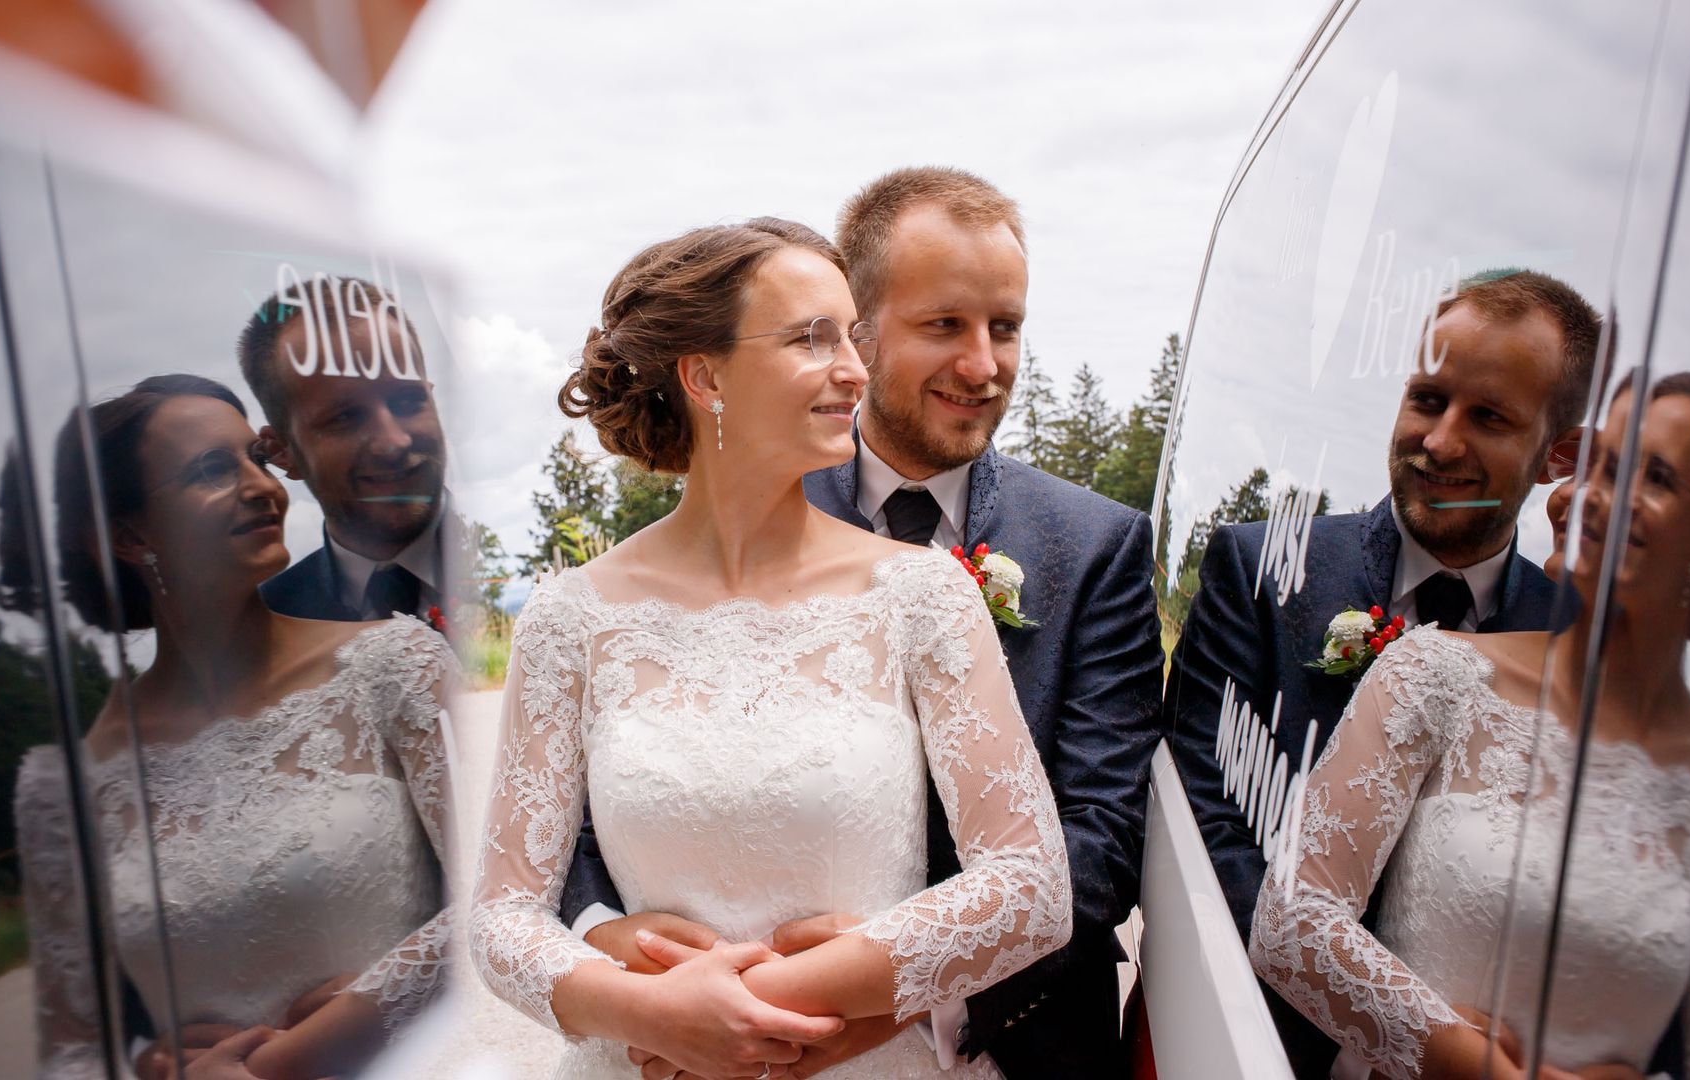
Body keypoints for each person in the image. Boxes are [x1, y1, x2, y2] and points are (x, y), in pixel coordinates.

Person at [566, 167, 1162, 1078]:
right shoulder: (724, 510)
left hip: (1008, 1035)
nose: (983, 365)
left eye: (1005, 328)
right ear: (864, 329)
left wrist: (890, 984)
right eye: (943, 326)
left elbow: (1102, 836)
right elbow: (582, 812)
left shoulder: (1095, 545)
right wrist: (620, 951)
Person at [469, 220, 1072, 1080]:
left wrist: (780, 1005)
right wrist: (644, 1008)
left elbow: (1029, 886)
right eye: (810, 337)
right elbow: (502, 916)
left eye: (851, 335)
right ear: (705, 376)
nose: (855, 369)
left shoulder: (921, 593)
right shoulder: (571, 618)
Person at [1251, 370, 1690, 1079]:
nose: (1595, 495)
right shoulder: (1436, 672)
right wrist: (1471, 1062)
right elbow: (1292, 921)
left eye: (1655, 477)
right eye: (1604, 464)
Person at [1163, 269, 1603, 1073]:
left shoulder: (1574, 638)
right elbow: (1204, 823)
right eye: (1428, 400)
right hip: (1248, 1036)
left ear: (1558, 454)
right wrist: (1386, 1015)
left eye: (1490, 418)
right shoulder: (1261, 570)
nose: (1439, 442)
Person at [12, 374, 457, 1080]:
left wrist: (351, 1021)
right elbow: (71, 1049)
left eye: (254, 455)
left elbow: (505, 896)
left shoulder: (394, 664)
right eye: (213, 471)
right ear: (128, 535)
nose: (265, 486)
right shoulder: (61, 790)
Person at [238, 277, 455, 622]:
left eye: (408, 401)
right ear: (282, 451)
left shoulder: (527, 573)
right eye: (346, 417)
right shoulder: (268, 621)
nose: (393, 442)